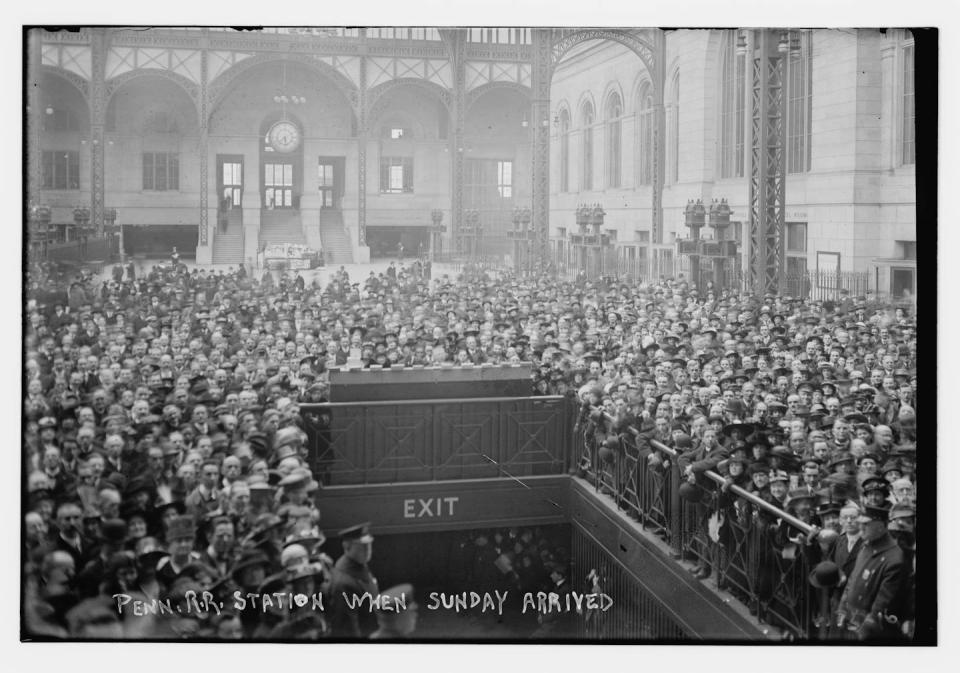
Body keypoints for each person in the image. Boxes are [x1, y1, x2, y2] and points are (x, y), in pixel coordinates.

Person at [836, 504, 909, 640]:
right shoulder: (866, 545)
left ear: (881, 526)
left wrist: (864, 631)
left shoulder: (894, 558)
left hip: (870, 631)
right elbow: (852, 580)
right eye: (861, 523)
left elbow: (881, 603)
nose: (861, 527)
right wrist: (842, 608)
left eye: (866, 524)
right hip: (851, 621)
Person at [328, 522, 379, 639]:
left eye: (368, 544)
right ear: (347, 547)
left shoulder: (359, 565)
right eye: (361, 546)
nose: (367, 549)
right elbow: (347, 630)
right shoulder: (343, 583)